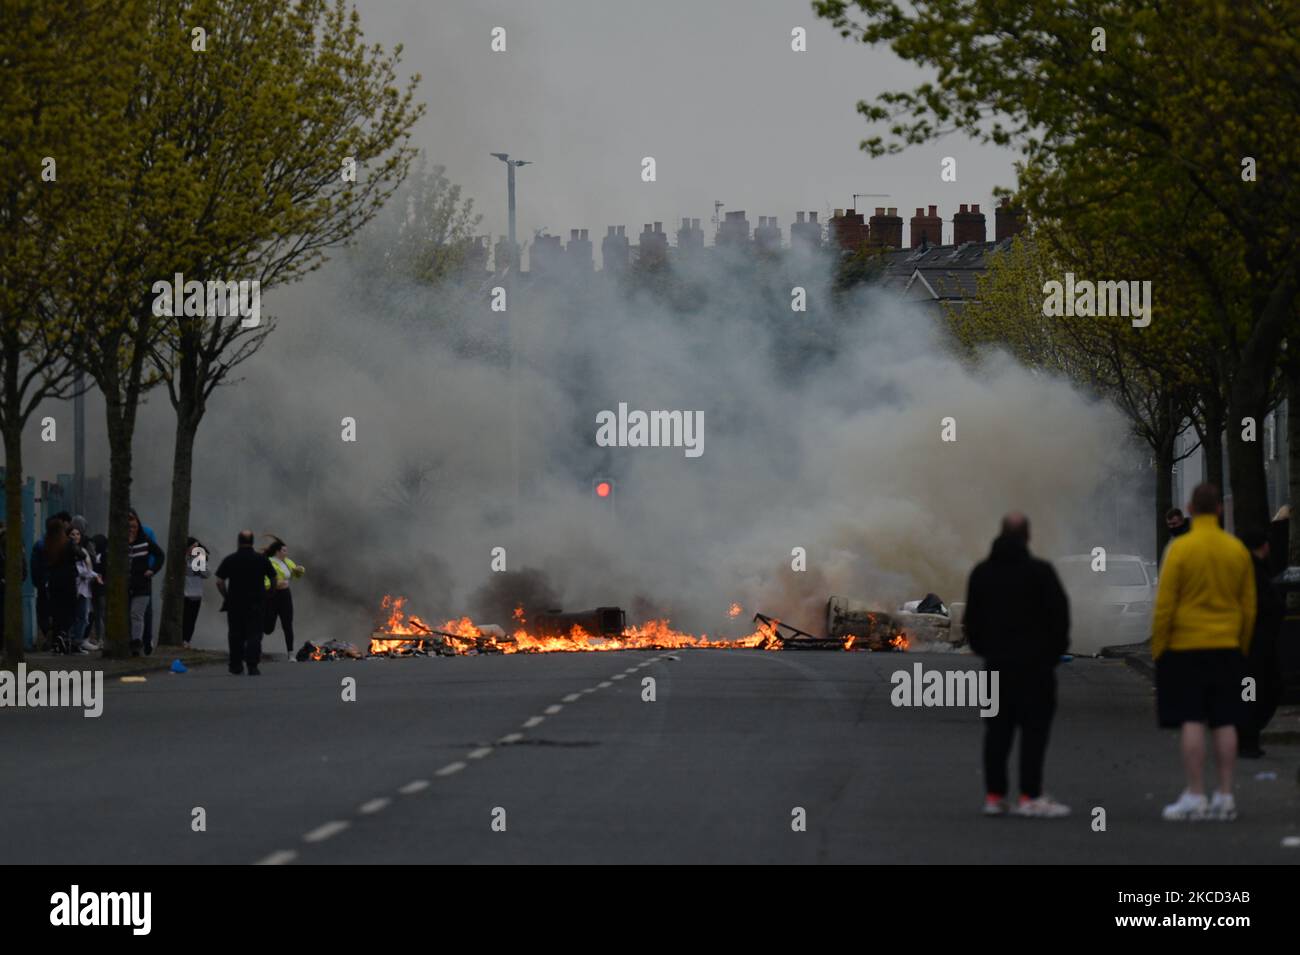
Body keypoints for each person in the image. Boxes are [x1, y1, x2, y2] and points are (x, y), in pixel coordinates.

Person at [1152, 483, 1255, 822]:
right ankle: (1226, 796)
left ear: (1190, 509)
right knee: (1225, 720)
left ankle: (1195, 794)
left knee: (1192, 719)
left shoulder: (1179, 550)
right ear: (1220, 511)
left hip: (1186, 648)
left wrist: (1159, 647)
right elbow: (1248, 605)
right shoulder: (1236, 549)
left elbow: (1165, 603)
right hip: (1226, 646)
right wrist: (1241, 643)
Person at [962, 512, 1071, 818]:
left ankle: (994, 797)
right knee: (1033, 733)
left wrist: (986, 651)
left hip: (996, 668)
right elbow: (1060, 619)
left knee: (996, 732)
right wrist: (1052, 656)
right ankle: (1030, 795)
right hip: (1036, 670)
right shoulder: (1041, 573)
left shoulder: (982, 573)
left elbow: (971, 622)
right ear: (1028, 536)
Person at [1236, 526, 1282, 759]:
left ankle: (1246, 735)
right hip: (1252, 647)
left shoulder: (1254, 569)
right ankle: (1247, 739)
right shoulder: (1252, 572)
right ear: (1263, 546)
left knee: (1256, 692)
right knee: (1252, 693)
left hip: (1258, 645)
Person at [216, 531, 276, 676]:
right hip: (256, 603)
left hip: (235, 603)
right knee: (255, 634)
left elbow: (219, 581)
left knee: (235, 634)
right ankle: (252, 665)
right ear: (253, 542)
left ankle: (236, 665)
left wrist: (227, 596)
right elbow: (273, 578)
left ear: (238, 541)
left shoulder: (230, 559)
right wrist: (268, 594)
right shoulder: (261, 560)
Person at [125, 511, 165, 657]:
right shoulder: (119, 542)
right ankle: (129, 642)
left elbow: (160, 555)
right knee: (128, 615)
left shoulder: (146, 539)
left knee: (137, 614)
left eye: (134, 527)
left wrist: (152, 570)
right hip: (124, 585)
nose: (132, 530)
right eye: (129, 527)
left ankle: (138, 643)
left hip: (142, 584)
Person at [261, 536, 306, 659]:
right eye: (284, 550)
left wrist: (300, 570)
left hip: (285, 595)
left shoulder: (287, 562)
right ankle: (254, 638)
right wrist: (273, 584)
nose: (287, 553)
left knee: (287, 624)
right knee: (268, 628)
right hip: (272, 595)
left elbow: (296, 574)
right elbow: (264, 579)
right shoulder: (268, 561)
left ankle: (291, 654)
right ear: (278, 551)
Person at [67, 526, 101, 652]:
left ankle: (77, 642)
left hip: (85, 588)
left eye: (78, 534)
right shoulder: (70, 551)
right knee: (76, 616)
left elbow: (87, 569)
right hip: (74, 587)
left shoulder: (83, 550)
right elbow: (80, 570)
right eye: (72, 534)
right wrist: (94, 575)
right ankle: (73, 642)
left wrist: (93, 574)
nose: (75, 536)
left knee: (84, 617)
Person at [183, 537, 210, 649]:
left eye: (197, 546)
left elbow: (207, 574)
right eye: (193, 545)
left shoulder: (201, 560)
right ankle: (181, 640)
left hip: (196, 595)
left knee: (191, 620)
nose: (195, 548)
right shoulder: (182, 559)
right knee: (183, 619)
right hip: (183, 595)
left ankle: (187, 641)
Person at [89, 533, 109, 647]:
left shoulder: (104, 556)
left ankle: (103, 638)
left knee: (101, 614)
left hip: (101, 589)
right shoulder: (96, 556)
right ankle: (99, 638)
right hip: (96, 589)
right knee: (97, 614)